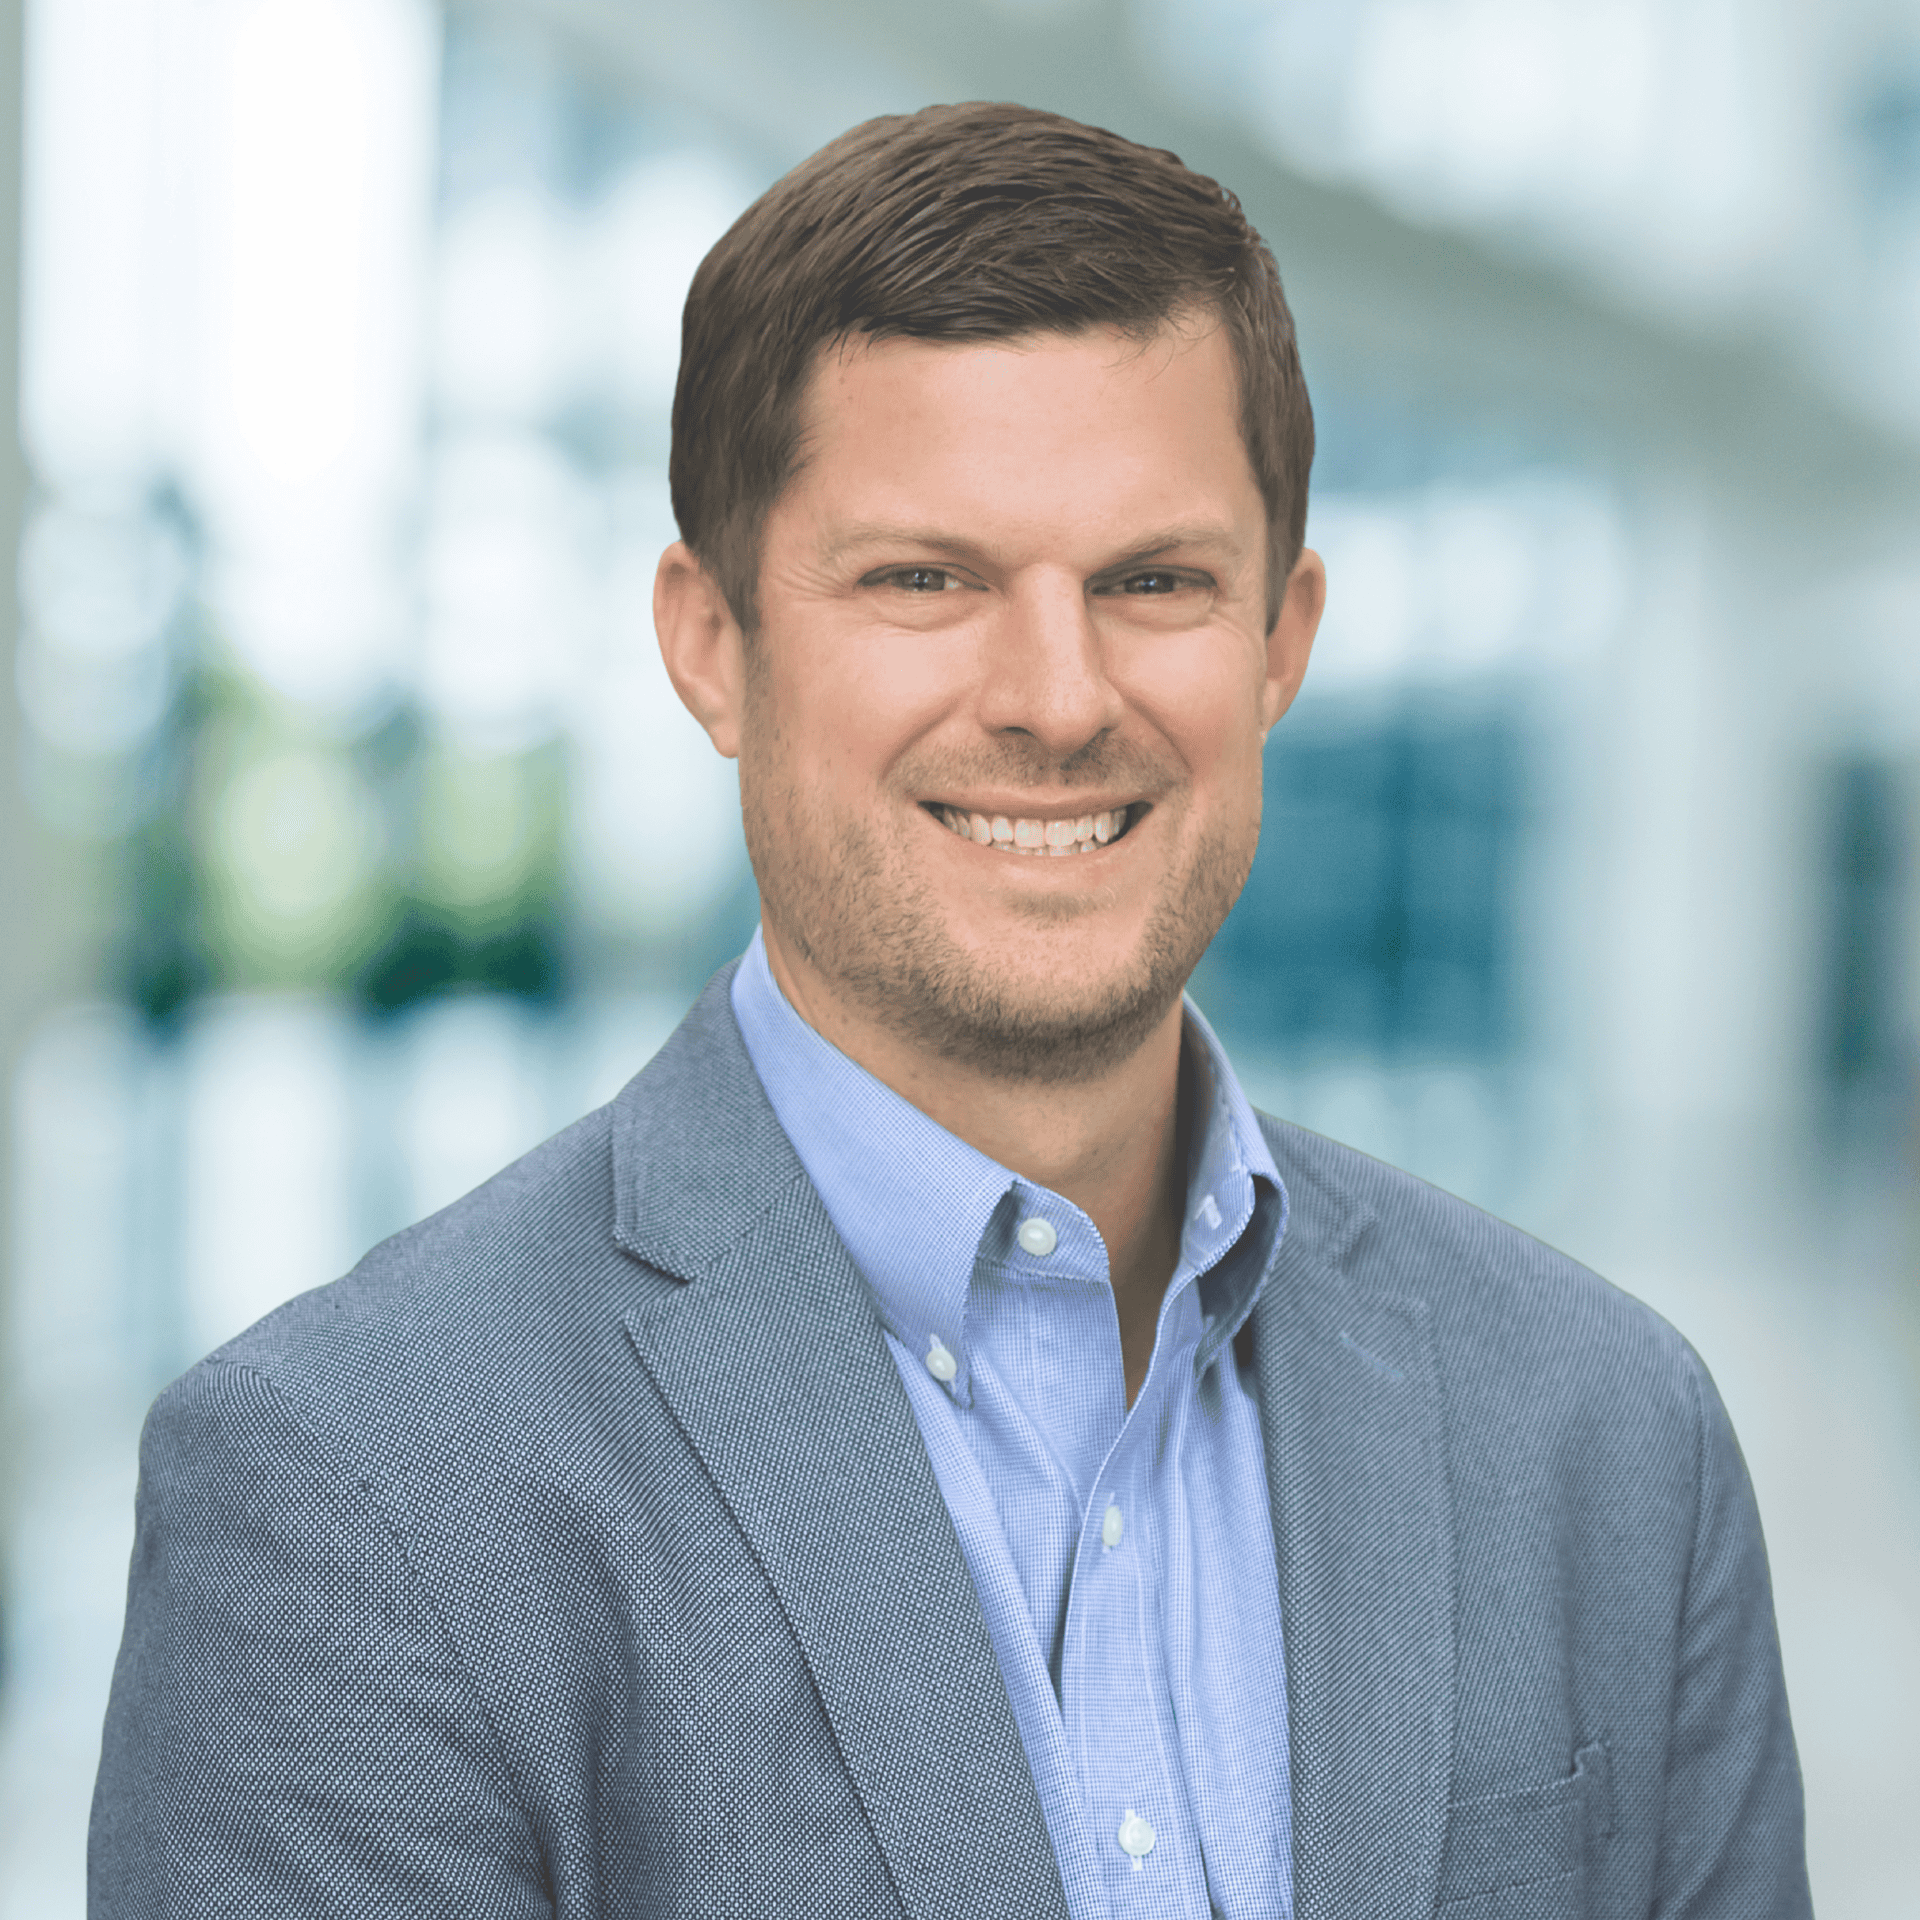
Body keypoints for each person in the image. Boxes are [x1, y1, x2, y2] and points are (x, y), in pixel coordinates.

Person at [90, 103, 1809, 1919]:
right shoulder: (356, 1492)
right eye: (924, 580)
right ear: (711, 644)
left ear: (1282, 640)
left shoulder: (1609, 1432)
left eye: (1154, 582)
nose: (1058, 698)